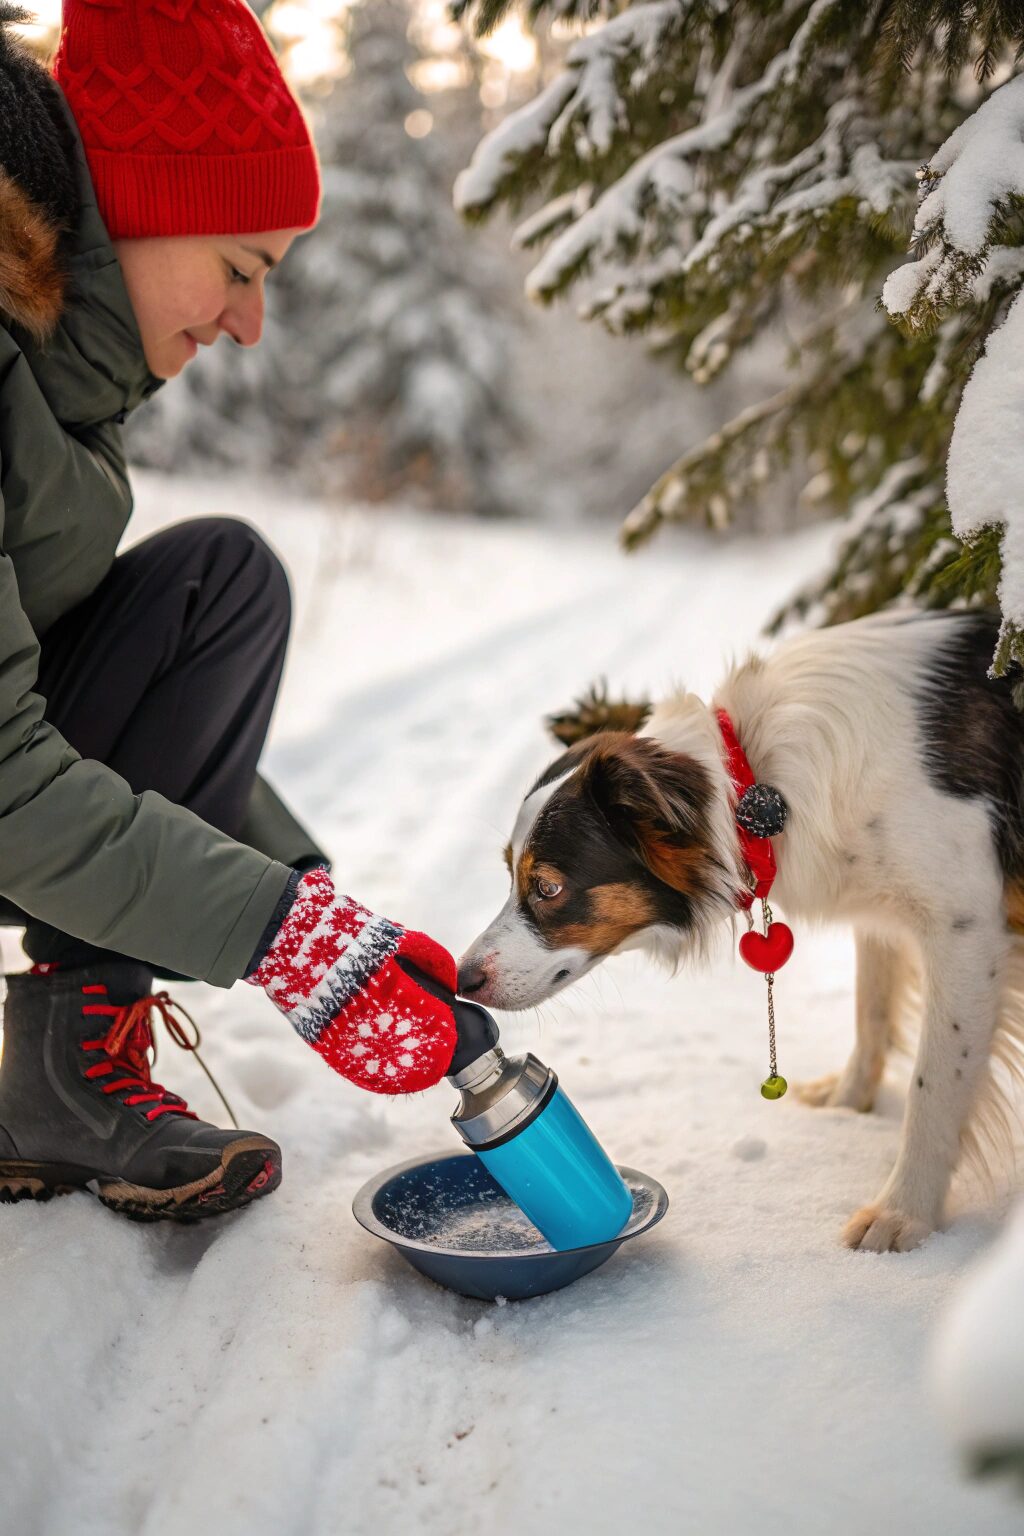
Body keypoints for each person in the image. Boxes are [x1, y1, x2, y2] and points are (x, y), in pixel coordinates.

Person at [0, 0, 459, 1223]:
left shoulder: (51, 392)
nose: (250, 325)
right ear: (136, 209)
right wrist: (287, 937)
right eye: (241, 268)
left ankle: (58, 1080)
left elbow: (74, 681)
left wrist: (309, 894)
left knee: (216, 584)